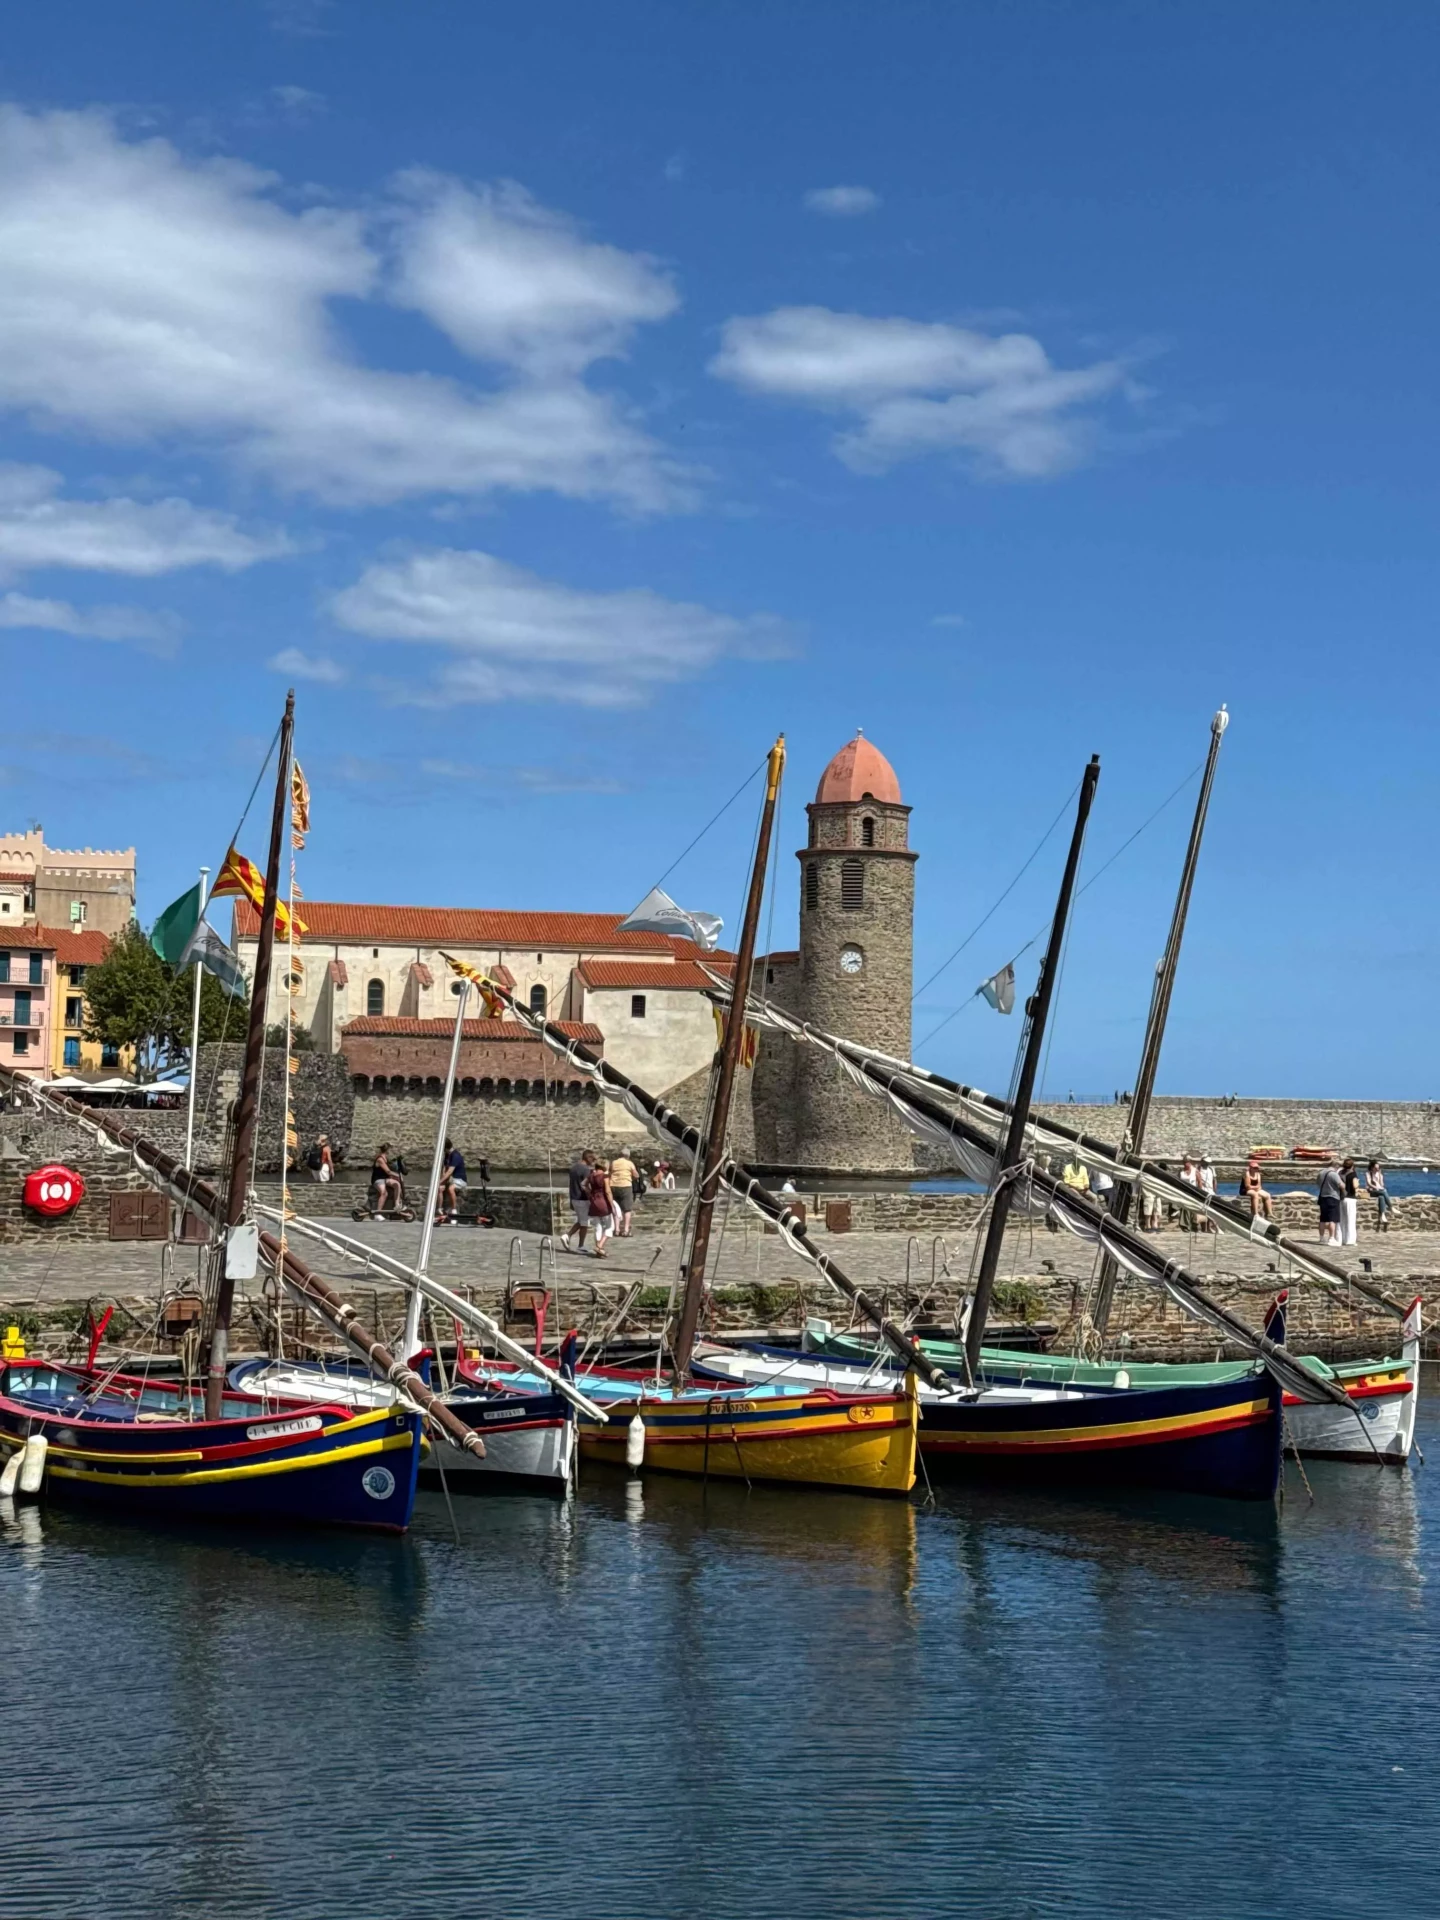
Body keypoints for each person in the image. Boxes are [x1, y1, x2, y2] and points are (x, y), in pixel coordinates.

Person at [562, 1150, 596, 1253]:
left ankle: (575, 1240)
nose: (593, 1161)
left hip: (574, 1197)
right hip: (582, 1198)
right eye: (593, 1159)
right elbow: (586, 1185)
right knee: (584, 1223)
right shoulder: (585, 1170)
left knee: (581, 1221)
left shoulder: (573, 1168)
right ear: (588, 1158)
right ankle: (574, 1240)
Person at [588, 1158, 615, 1257]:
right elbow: (608, 1191)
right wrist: (612, 1204)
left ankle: (599, 1250)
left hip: (593, 1201)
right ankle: (599, 1246)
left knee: (598, 1227)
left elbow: (583, 1184)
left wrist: (589, 1193)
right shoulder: (605, 1176)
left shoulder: (591, 1175)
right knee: (609, 1227)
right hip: (603, 1202)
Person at [609, 1150, 639, 1237]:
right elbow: (636, 1175)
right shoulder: (629, 1163)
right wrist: (630, 1178)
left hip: (613, 1186)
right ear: (628, 1156)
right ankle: (625, 1230)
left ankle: (617, 1229)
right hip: (625, 1186)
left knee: (616, 1208)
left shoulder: (614, 1162)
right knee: (627, 1209)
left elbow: (610, 1173)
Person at [437, 1138, 467, 1224]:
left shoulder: (455, 1156)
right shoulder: (447, 1154)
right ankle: (439, 1209)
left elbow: (450, 1171)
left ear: (446, 1148)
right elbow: (444, 1168)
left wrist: (440, 1181)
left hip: (460, 1180)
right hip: (451, 1179)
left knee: (450, 1188)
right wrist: (441, 1182)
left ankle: (454, 1211)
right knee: (440, 1188)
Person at [370, 1142, 402, 1215]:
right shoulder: (380, 1159)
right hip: (378, 1180)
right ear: (387, 1150)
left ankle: (397, 1205)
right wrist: (397, 1175)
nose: (391, 1151)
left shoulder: (385, 1158)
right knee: (384, 1193)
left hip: (385, 1179)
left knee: (397, 1184)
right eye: (390, 1149)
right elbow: (388, 1171)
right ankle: (378, 1213)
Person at [1316, 1162, 1343, 1243]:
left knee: (1322, 1219)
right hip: (1332, 1197)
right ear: (1336, 1167)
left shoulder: (1321, 1173)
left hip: (1322, 1197)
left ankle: (1321, 1238)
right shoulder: (1334, 1174)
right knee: (1332, 1219)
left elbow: (1318, 1183)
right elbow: (1341, 1185)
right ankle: (1331, 1238)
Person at [1366, 1160, 1391, 1232]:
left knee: (1381, 1197)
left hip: (1379, 1191)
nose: (1377, 1169)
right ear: (1372, 1168)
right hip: (1372, 1191)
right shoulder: (1368, 1173)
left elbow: (1382, 1185)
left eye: (1378, 1168)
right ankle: (1391, 1207)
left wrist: (1380, 1177)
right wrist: (1376, 1187)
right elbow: (1369, 1183)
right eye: (1376, 1168)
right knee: (1383, 1193)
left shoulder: (1380, 1174)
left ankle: (1382, 1216)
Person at [1339, 1157, 1360, 1246]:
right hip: (1350, 1198)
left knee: (1342, 1220)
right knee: (1351, 1220)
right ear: (1352, 1166)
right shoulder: (1353, 1174)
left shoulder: (1340, 1173)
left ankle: (1342, 1239)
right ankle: (1350, 1241)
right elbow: (1355, 1186)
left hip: (1342, 1198)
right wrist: (1358, 1184)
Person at [1197, 1156, 1218, 1232]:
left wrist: (1215, 1191)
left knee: (1210, 1211)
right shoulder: (1198, 1169)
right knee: (1203, 1211)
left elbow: (1214, 1180)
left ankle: (1209, 1227)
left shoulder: (1211, 1169)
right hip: (1202, 1191)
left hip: (1211, 1191)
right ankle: (1204, 1228)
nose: (1207, 1164)